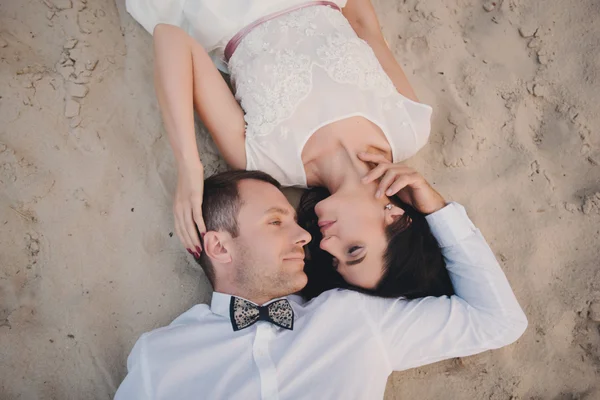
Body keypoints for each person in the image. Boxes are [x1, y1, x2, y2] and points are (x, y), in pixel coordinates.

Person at [125, 0, 453, 295]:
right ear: (396, 216)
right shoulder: (409, 129)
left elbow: (172, 39)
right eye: (353, 250)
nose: (327, 245)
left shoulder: (271, 163)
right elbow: (365, 25)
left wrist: (188, 166)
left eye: (335, 260)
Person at [114, 169, 528, 399]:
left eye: (296, 223)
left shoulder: (355, 318)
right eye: (276, 221)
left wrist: (435, 209)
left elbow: (496, 319)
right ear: (219, 247)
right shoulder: (160, 357)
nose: (306, 236)